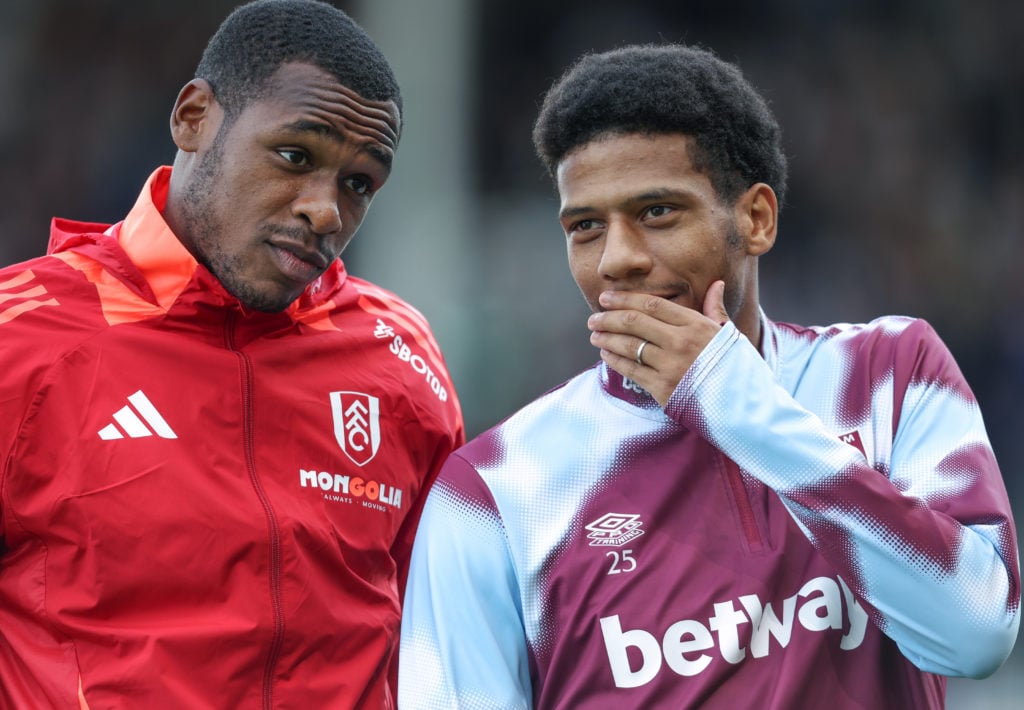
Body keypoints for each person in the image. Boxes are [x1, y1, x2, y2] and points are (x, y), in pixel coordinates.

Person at [397, 43, 1019, 709]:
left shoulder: (889, 373)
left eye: (657, 212)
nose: (618, 260)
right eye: (584, 226)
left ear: (756, 220)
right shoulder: (493, 488)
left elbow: (976, 634)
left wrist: (737, 408)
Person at [0, 0, 464, 707]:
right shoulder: (20, 339)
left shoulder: (401, 357)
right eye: (294, 156)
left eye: (358, 183)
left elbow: (443, 634)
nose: (325, 211)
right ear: (193, 118)